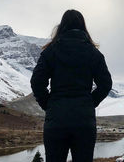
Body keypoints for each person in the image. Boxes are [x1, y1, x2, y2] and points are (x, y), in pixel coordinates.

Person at [30, 9, 112, 162]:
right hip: (84, 121)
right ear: (83, 27)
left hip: (56, 120)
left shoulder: (51, 51)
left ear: (62, 26)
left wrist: (49, 105)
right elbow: (106, 84)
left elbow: (36, 82)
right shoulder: (93, 53)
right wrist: (89, 103)